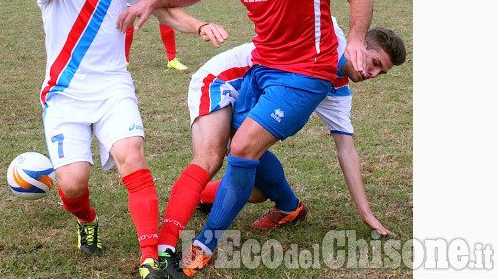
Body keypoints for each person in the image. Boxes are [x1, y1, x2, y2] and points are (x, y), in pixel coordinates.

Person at [117, 0, 374, 276]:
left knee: (240, 149)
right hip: (262, 69)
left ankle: (200, 249)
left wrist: (356, 41)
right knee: (243, 145)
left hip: (306, 74)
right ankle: (290, 205)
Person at [28, 0, 228, 279]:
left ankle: (149, 258)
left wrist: (198, 24)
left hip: (112, 88)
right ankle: (87, 220)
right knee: (71, 184)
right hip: (64, 94)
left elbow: (162, 9)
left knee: (133, 157)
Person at [156, 20, 406, 278]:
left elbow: (347, 150)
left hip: (256, 94)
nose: (372, 75)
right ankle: (175, 249)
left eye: (381, 72)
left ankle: (288, 206)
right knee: (212, 157)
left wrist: (366, 213)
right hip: (223, 80)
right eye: (375, 63)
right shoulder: (327, 31)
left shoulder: (338, 92)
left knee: (254, 185)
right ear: (359, 43)